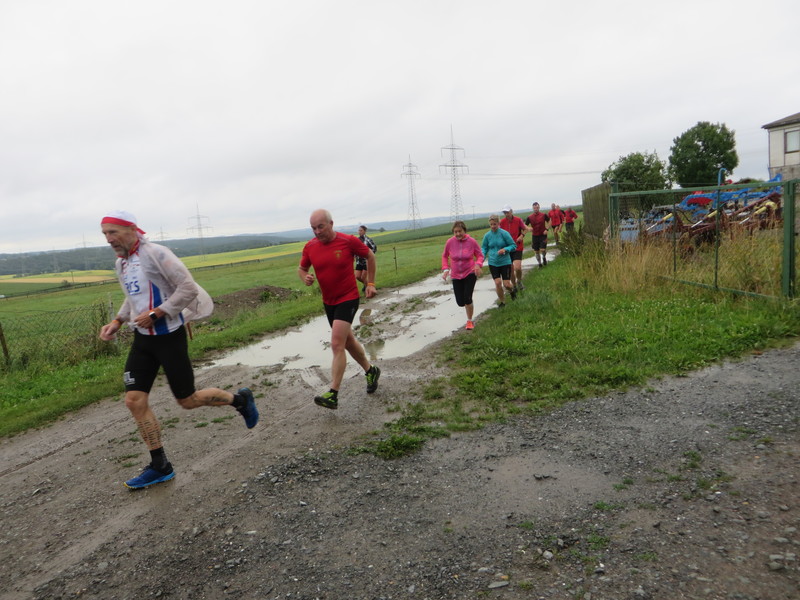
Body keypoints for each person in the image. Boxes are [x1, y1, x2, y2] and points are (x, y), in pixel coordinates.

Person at [98, 210, 259, 490]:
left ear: (132, 230)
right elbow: (132, 297)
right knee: (134, 400)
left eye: (113, 232)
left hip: (169, 337)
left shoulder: (157, 254)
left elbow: (187, 288)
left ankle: (240, 400)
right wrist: (117, 321)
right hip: (142, 340)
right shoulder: (122, 263)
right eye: (105, 234)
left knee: (187, 400)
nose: (109, 239)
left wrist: (158, 313)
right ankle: (160, 465)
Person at [298, 209, 381, 410]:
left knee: (336, 344)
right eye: (313, 228)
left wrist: (370, 283)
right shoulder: (310, 246)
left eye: (321, 227)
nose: (317, 231)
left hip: (348, 298)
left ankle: (333, 393)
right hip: (329, 302)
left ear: (331, 224)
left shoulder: (348, 241)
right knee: (348, 341)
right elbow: (301, 269)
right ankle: (371, 371)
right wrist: (305, 278)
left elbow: (370, 256)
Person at [441, 221, 484, 330]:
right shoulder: (450, 242)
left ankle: (469, 321)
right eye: (455, 232)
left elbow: (480, 255)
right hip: (456, 275)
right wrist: (446, 269)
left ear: (464, 230)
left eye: (460, 231)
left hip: (470, 272)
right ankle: (468, 305)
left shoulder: (472, 242)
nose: (458, 234)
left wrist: (478, 265)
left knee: (467, 298)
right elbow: (445, 256)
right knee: (460, 302)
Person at [481, 214, 517, 307]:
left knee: (507, 284)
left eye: (495, 224)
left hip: (505, 262)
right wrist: (481, 258)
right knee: (497, 283)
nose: (493, 226)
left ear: (498, 223)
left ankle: (512, 291)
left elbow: (513, 245)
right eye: (491, 224)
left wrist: (505, 249)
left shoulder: (504, 233)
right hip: (493, 262)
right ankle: (502, 302)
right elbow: (484, 248)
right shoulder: (487, 236)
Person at [499, 205, 527, 292]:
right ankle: (514, 286)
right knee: (510, 269)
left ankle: (519, 281)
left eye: (507, 212)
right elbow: (499, 233)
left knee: (517, 267)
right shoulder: (502, 222)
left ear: (511, 211)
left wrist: (522, 236)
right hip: (507, 249)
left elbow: (525, 229)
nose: (506, 214)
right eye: (505, 213)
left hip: (517, 246)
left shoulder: (518, 220)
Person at [524, 202, 550, 268]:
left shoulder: (543, 215)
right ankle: (539, 264)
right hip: (535, 236)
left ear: (539, 207)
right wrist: (528, 228)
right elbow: (525, 225)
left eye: (537, 207)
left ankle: (544, 257)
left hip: (543, 235)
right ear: (533, 208)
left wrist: (547, 229)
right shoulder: (529, 217)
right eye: (534, 208)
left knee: (543, 249)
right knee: (536, 251)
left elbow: (550, 221)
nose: (536, 209)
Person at [354, 225, 377, 293]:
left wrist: (369, 255)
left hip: (366, 261)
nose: (359, 232)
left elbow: (374, 248)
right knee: (357, 277)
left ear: (365, 231)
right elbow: (355, 249)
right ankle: (367, 286)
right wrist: (355, 255)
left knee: (363, 277)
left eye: (361, 230)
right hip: (359, 261)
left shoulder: (368, 239)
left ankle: (369, 289)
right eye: (359, 230)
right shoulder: (357, 240)